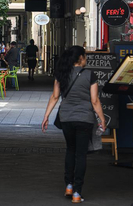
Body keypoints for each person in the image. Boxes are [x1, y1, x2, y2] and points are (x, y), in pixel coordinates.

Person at [41, 46, 106, 203]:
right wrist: (102, 118)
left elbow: (55, 97)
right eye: (85, 56)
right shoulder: (90, 75)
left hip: (66, 118)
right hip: (84, 119)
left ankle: (68, 186)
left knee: (70, 150)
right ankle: (77, 192)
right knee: (81, 154)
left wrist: (46, 116)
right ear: (82, 58)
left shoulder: (61, 74)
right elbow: (94, 100)